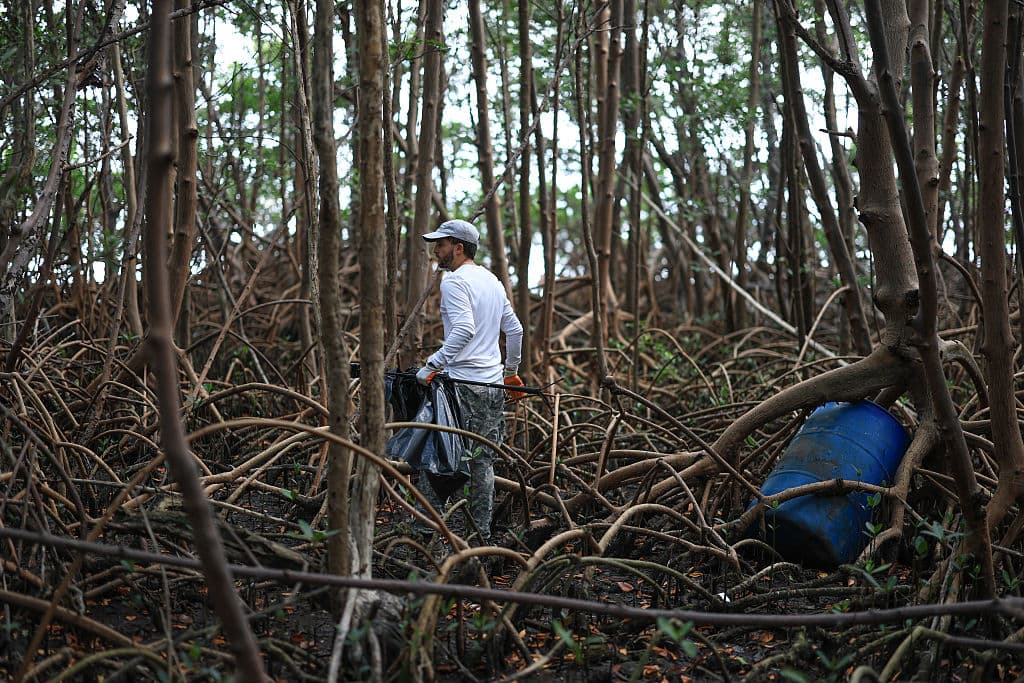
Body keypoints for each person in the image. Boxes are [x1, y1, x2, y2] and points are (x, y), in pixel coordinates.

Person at [415, 219, 524, 544]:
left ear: (458, 248)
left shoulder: (455, 281)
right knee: (481, 463)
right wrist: (510, 372)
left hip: (460, 388)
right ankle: (480, 538)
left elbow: (464, 330)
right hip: (490, 388)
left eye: (442, 244)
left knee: (436, 458)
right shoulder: (491, 280)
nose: (436, 251)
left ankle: (423, 536)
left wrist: (432, 365)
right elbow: (515, 330)